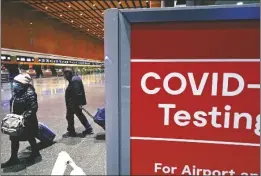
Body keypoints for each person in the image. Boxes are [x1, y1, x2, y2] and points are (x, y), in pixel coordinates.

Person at [1, 73, 40, 168]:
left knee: (30, 137)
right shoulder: (17, 91)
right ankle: (14, 158)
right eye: (14, 82)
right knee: (14, 138)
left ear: (23, 83)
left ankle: (35, 153)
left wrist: (23, 117)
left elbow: (33, 108)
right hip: (16, 120)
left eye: (17, 83)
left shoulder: (29, 92)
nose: (14, 84)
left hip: (27, 121)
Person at [63, 68, 93, 137]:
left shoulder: (74, 80)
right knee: (79, 115)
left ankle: (71, 132)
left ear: (68, 73)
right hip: (74, 103)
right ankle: (88, 128)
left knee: (69, 117)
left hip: (73, 104)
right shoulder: (74, 79)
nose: (64, 77)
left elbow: (78, 93)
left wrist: (79, 103)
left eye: (65, 75)